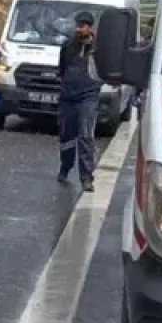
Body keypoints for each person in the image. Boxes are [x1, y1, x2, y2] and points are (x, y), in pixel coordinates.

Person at [57, 10, 101, 193]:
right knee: (66, 135)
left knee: (85, 135)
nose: (78, 29)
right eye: (77, 26)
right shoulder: (68, 45)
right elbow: (62, 68)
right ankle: (65, 166)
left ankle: (86, 177)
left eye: (82, 26)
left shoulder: (99, 48)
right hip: (68, 96)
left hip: (88, 96)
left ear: (90, 28)